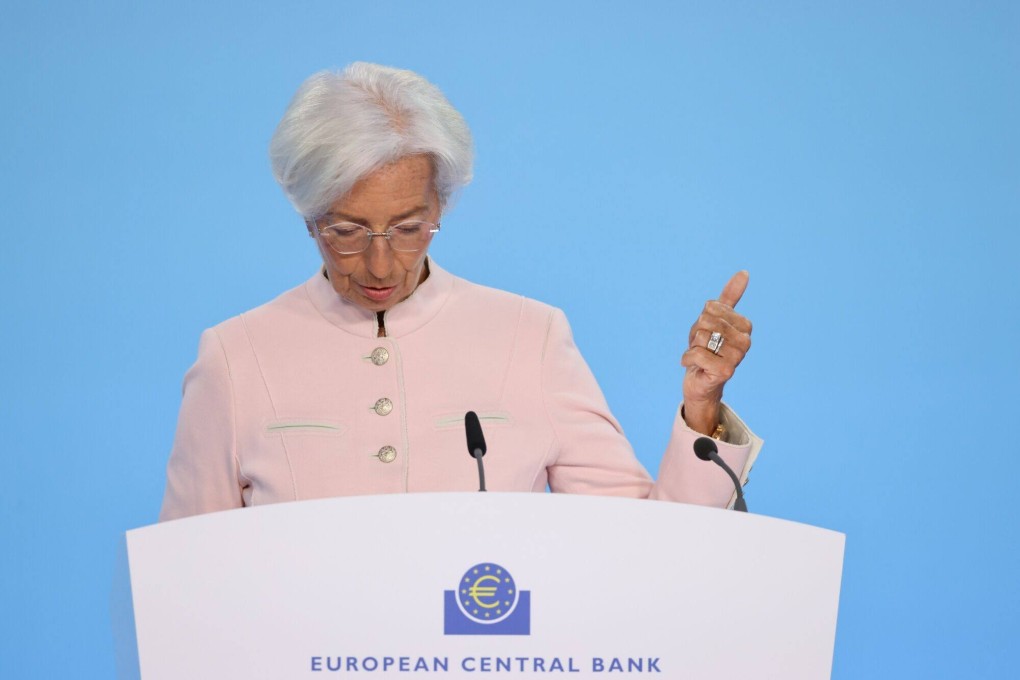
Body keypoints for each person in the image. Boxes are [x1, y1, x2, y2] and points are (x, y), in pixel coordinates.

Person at [159, 62, 761, 521]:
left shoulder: (531, 337)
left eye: (408, 228)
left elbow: (643, 546)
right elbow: (186, 576)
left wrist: (702, 406)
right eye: (345, 231)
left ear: (441, 203)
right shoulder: (236, 357)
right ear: (307, 215)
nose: (380, 261)